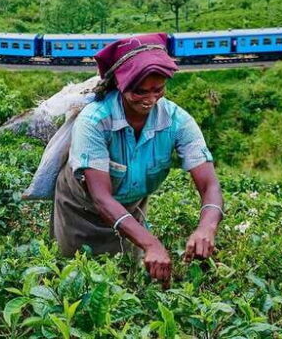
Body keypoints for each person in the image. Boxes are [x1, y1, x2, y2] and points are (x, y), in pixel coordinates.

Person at [53, 33, 224, 287]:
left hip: (131, 208)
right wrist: (151, 242)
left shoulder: (178, 121)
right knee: (77, 279)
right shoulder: (94, 121)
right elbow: (101, 197)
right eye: (139, 91)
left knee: (125, 281)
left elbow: (209, 185)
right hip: (80, 212)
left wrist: (206, 228)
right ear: (120, 86)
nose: (150, 99)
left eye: (158, 90)